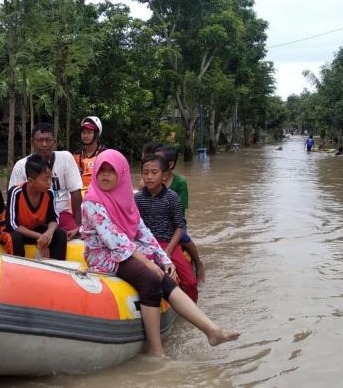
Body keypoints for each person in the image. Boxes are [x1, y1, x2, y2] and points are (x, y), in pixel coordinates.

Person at [80, 149, 239, 355]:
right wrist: (149, 263)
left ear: (121, 173)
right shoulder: (92, 199)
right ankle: (156, 350)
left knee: (165, 277)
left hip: (127, 250)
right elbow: (114, 240)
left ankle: (212, 331)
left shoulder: (126, 197)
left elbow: (142, 231)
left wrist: (164, 259)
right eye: (102, 171)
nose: (106, 175)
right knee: (150, 277)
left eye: (111, 171)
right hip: (102, 254)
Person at [135, 155, 198, 302]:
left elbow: (180, 226)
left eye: (154, 172)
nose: (149, 177)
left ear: (164, 175)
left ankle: (191, 311)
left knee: (190, 282)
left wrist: (168, 250)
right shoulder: (137, 199)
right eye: (145, 172)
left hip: (168, 243)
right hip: (144, 244)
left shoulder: (172, 197)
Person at [9, 123, 83, 239]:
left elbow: (75, 191)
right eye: (40, 140)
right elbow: (15, 199)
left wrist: (79, 225)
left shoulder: (66, 158)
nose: (44, 144)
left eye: (48, 140)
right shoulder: (21, 166)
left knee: (69, 236)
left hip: (61, 213)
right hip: (31, 217)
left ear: (54, 141)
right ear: (32, 142)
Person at [0, 154, 67, 260]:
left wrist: (48, 234)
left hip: (35, 229)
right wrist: (39, 236)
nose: (49, 183)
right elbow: (12, 225)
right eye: (45, 180)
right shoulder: (16, 192)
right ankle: (18, 269)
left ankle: (57, 266)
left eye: (50, 178)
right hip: (15, 231)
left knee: (60, 234)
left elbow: (53, 218)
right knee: (15, 238)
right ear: (31, 181)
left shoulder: (49, 192)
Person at [155, 145, 205, 285]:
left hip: (175, 221)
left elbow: (180, 212)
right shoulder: (153, 180)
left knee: (183, 237)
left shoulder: (180, 183)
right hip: (156, 221)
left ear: (170, 165)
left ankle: (198, 263)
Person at [72, 116, 107, 193]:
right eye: (83, 132)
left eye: (89, 132)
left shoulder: (105, 154)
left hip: (100, 195)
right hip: (80, 196)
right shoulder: (76, 155)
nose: (85, 136)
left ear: (97, 134)